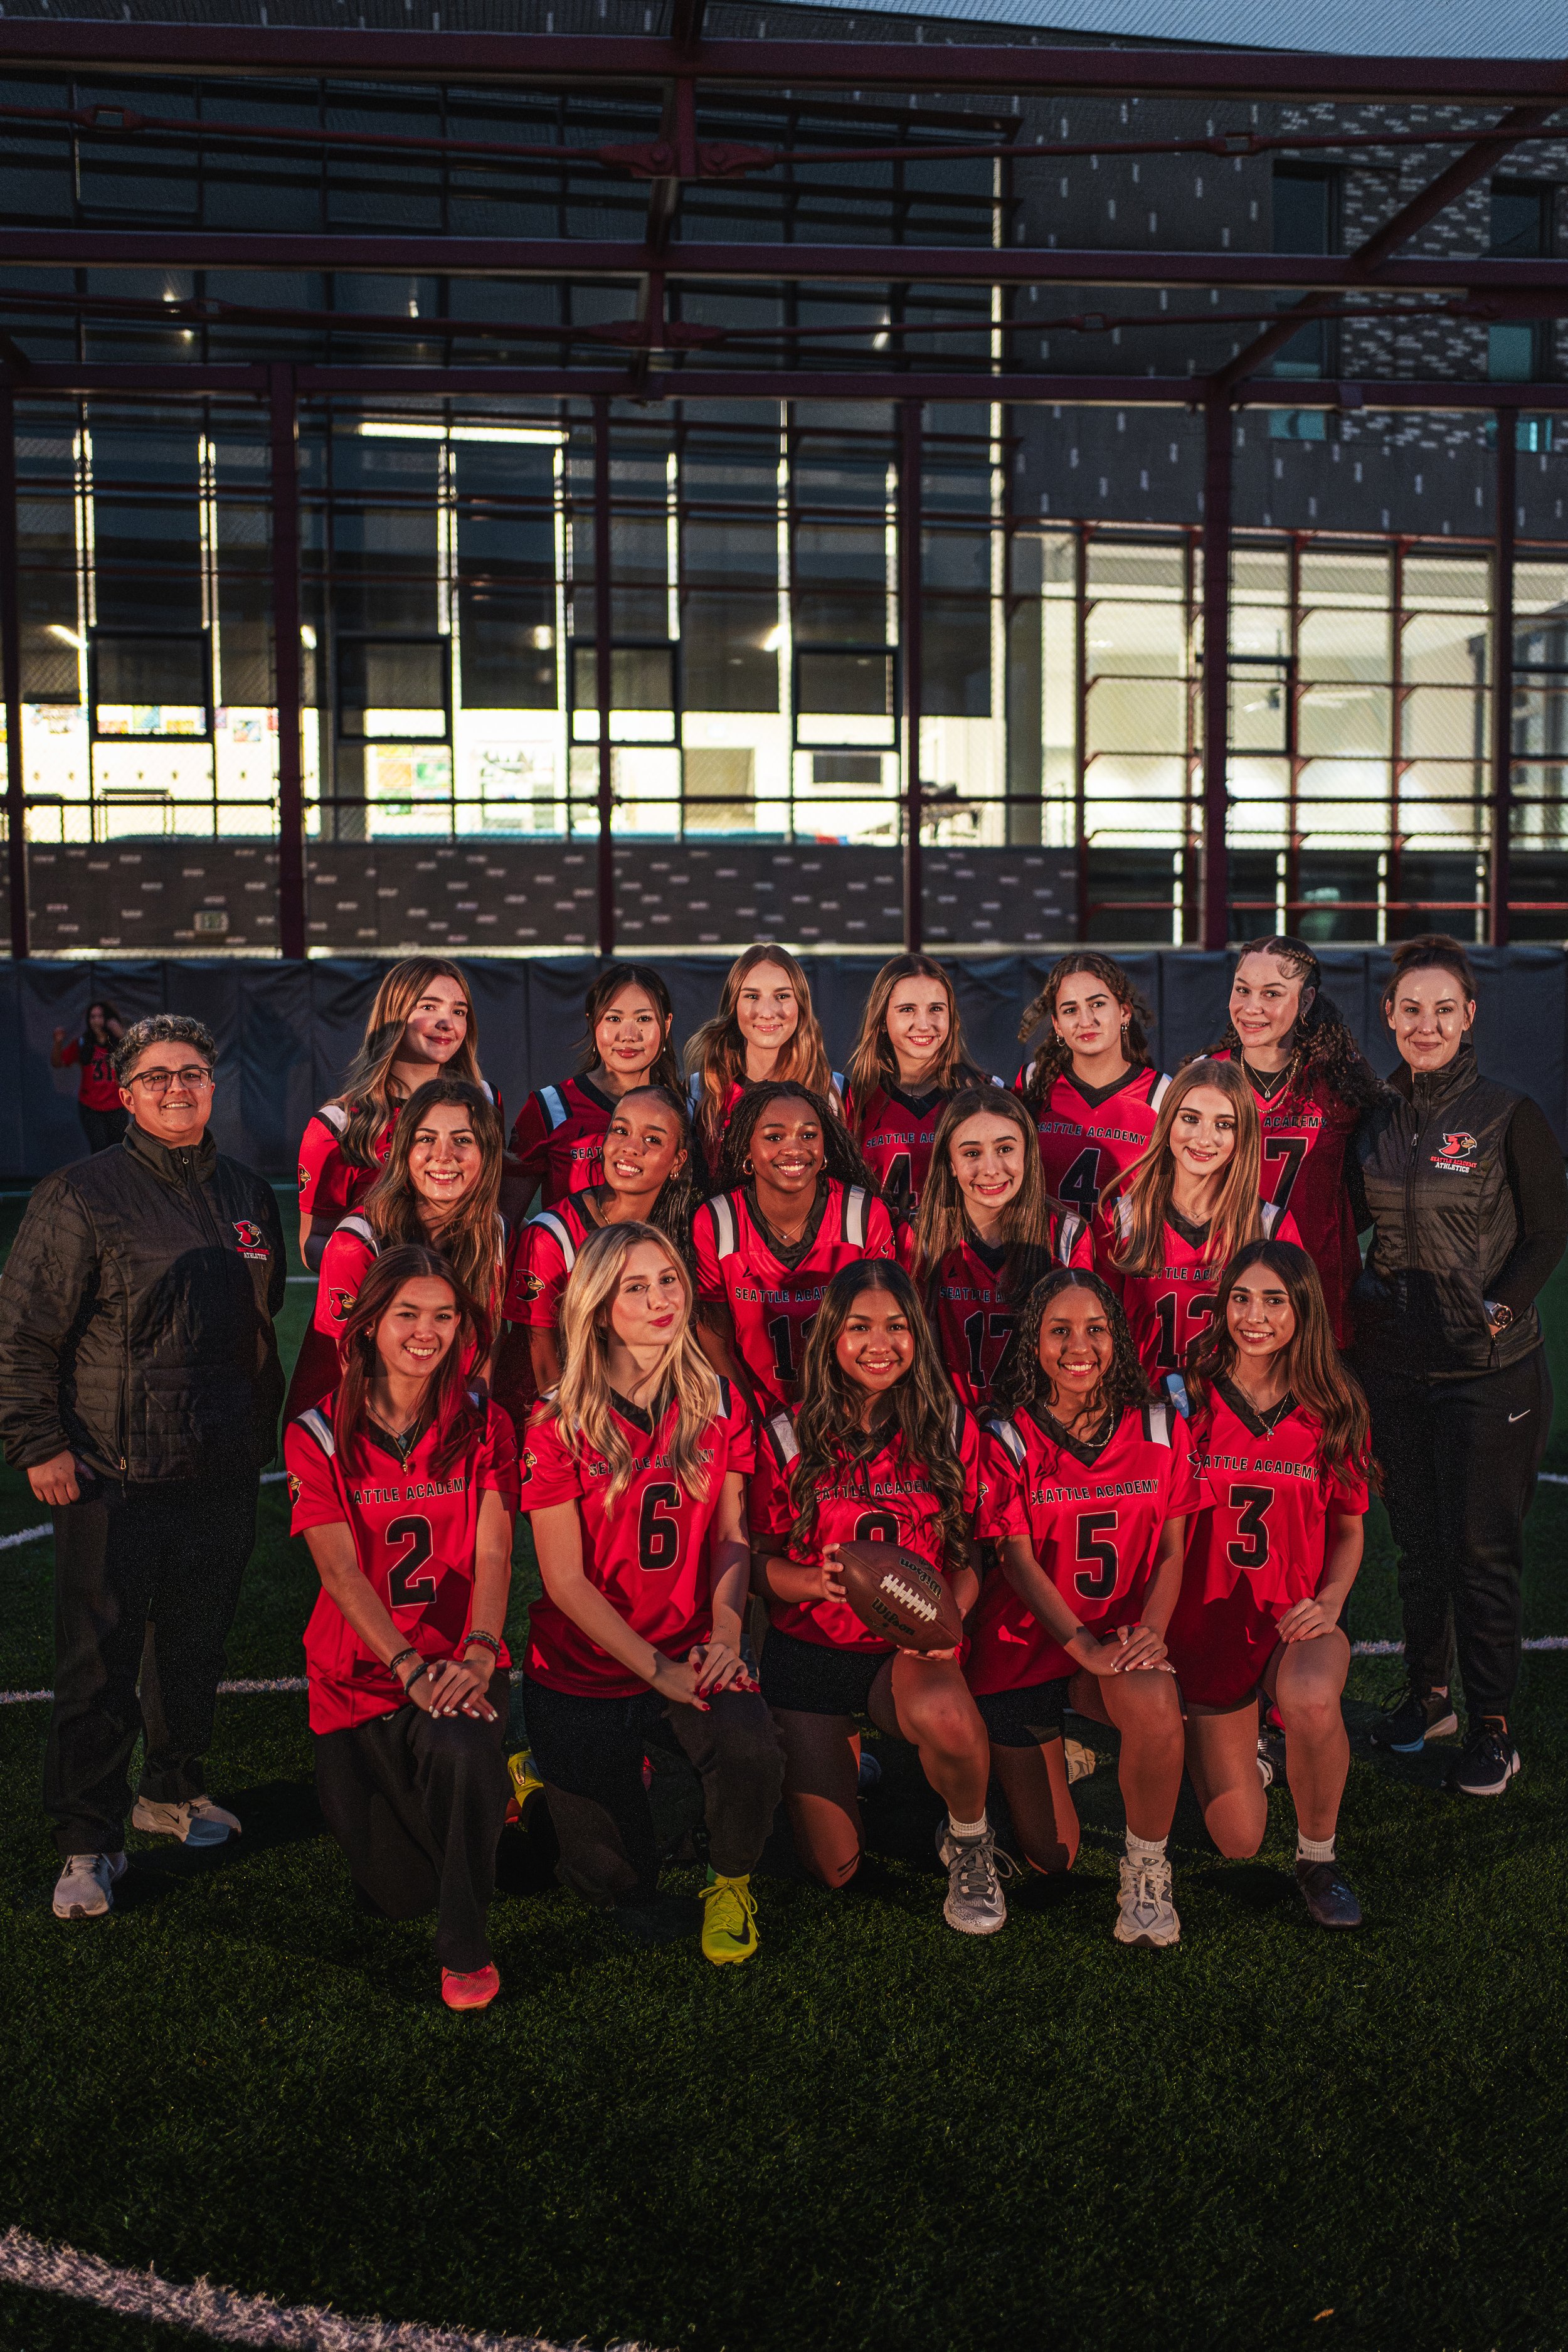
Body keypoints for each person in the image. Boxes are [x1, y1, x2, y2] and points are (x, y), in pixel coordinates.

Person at [0, 1014, 284, 1922]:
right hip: (109, 1473)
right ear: (123, 1093)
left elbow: (262, 1324)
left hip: (219, 1467)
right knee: (99, 1664)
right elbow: (23, 1334)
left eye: (192, 1072)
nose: (177, 1088)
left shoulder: (244, 1190)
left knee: (194, 1647)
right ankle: (86, 1838)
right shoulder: (80, 1193)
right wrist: (38, 1442)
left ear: (213, 1084)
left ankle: (171, 1788)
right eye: (156, 1075)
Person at [521, 1222, 783, 1966]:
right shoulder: (554, 1418)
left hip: (691, 1647)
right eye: (635, 1286)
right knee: (612, 1882)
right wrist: (656, 1671)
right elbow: (564, 1581)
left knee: (753, 1754)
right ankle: (536, 1781)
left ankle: (727, 1881)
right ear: (600, 1306)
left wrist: (727, 1635)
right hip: (584, 1666)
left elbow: (733, 1534)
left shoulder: (718, 1399)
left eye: (668, 1278)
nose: (660, 1299)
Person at [1348, 933, 1568, 1798]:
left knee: (1482, 1552)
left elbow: (1550, 1232)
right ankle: (1428, 1696)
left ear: (1469, 1015)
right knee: (1420, 1548)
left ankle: (1493, 1726)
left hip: (1489, 1374)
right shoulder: (1371, 1114)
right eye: (1411, 1008)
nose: (1427, 1023)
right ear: (1391, 1016)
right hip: (1396, 1370)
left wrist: (1497, 1312)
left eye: (1444, 1008)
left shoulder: (1509, 1112)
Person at [285, 1246, 517, 2011]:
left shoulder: (485, 1421)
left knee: (460, 1744)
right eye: (407, 1315)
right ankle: (503, 1796)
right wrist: (409, 1668)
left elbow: (492, 1547)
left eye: (444, 1316)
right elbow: (340, 1572)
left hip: (458, 1664)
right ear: (370, 1323)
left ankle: (466, 1949)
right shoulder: (317, 1433)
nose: (427, 1332)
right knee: (396, 1893)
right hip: (360, 1678)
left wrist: (478, 1652)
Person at [748, 1261, 1007, 1934]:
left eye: (896, 1326)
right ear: (831, 1336)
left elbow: (970, 1552)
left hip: (905, 1650)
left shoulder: (946, 1428)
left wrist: (947, 1621)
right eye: (859, 1327)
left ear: (917, 1335)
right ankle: (836, 1767)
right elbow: (757, 1565)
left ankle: (970, 1839)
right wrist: (811, 1582)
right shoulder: (787, 1435)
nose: (879, 1343)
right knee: (833, 1868)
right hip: (807, 1652)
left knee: (948, 1715)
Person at [968, 1268, 1195, 1948]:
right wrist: (1085, 1650)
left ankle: (1146, 1868)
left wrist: (1149, 1633)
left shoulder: (1158, 1427)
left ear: (1117, 1339)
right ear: (1033, 1344)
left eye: (1095, 1329)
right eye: (1059, 1330)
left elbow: (1172, 1550)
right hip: (1024, 1650)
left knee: (1154, 1698)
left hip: (1118, 1642)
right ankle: (1001, 1792)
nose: (1079, 1346)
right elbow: (1015, 1560)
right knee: (1052, 1856)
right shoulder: (1007, 1437)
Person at [1165, 1240, 1370, 1928]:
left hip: (1293, 1621)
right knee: (1236, 1840)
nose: (1254, 1316)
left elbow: (1347, 1528)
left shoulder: (1333, 1402)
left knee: (1313, 1697)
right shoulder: (1185, 1396)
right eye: (1241, 1299)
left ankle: (1319, 1859)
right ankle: (1240, 1748)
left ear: (1302, 1308)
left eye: (1273, 1300)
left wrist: (1331, 1603)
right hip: (1206, 1628)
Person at [1190, 935, 1382, 1344]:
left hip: (1317, 1296)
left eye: (1271, 993)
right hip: (1226, 1293)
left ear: (1307, 1000)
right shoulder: (1203, 1080)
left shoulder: (1339, 1082)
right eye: (1242, 989)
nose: (1251, 1007)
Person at [287, 1078, 509, 1419]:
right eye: (426, 1139)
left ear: (488, 1154)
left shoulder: (492, 1231)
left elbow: (483, 1350)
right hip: (357, 1422)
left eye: (463, 1140)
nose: (444, 1156)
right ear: (404, 1150)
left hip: (444, 1414)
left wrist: (473, 1424)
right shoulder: (358, 1241)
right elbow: (357, 1378)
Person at [693, 1081, 893, 1412]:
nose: (795, 1149)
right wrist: (753, 1421)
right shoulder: (716, 1221)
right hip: (756, 1411)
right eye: (774, 1137)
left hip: (848, 1408)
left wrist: (848, 1415)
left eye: (809, 1135)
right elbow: (715, 1340)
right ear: (747, 1149)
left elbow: (882, 1337)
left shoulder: (863, 1216)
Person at [1098, 1057, 1297, 1380]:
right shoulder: (1121, 1219)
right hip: (1141, 1413)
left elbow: (1293, 1346)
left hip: (1231, 1416)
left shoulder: (1271, 1227)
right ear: (1168, 1123)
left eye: (1224, 1124)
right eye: (1190, 1119)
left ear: (1242, 1137)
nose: (1204, 1139)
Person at [297, 958, 495, 1273]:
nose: (447, 1023)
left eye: (459, 1011)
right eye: (429, 1007)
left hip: (464, 1302)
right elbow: (314, 1243)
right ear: (394, 1014)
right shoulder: (338, 1123)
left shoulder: (484, 1101)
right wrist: (397, 1270)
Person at [504, 1083, 696, 1397]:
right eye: (621, 1131)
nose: (631, 1147)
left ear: (678, 1161)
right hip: (552, 1415)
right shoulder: (553, 1234)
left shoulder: (679, 1234)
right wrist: (578, 1431)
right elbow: (542, 1358)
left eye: (653, 1139)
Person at [909, 1086, 1093, 1413]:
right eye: (971, 1154)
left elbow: (1081, 1351)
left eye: (1005, 1148)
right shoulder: (922, 1235)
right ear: (950, 1163)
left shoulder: (1066, 1234)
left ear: (1027, 1152)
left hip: (1039, 1428)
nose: (991, 1169)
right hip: (947, 1425)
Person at [509, 963, 682, 1210]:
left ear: (666, 1024)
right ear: (593, 1023)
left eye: (644, 1018)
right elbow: (506, 1220)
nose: (629, 1035)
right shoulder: (550, 1107)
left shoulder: (688, 1107)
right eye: (614, 1018)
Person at [1015, 953, 1170, 1221]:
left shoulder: (1162, 1093)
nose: (1086, 1021)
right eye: (1070, 1010)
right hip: (1047, 1256)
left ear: (1124, 1012)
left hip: (1125, 1257)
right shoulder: (1033, 1082)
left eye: (1097, 1004)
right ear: (1057, 1025)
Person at [841, 953, 990, 1221]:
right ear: (882, 1020)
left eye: (936, 1009)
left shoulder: (985, 1095)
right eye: (907, 1009)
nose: (924, 1024)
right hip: (881, 1258)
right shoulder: (851, 1100)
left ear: (951, 1017)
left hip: (960, 1257)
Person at [686, 943, 841, 1184]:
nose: (768, 1012)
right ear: (733, 1005)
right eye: (752, 996)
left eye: (782, 996)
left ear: (801, 1005)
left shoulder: (835, 1091)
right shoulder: (700, 1092)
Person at [51, 999, 127, 1153]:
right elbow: (58, 1062)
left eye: (100, 1016)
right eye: (93, 1017)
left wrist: (122, 1034)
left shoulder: (120, 1042)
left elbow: (139, 1056)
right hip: (91, 1106)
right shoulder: (82, 1043)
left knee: (119, 1148)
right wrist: (58, 1043)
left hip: (116, 1104)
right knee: (99, 1148)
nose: (97, 1021)